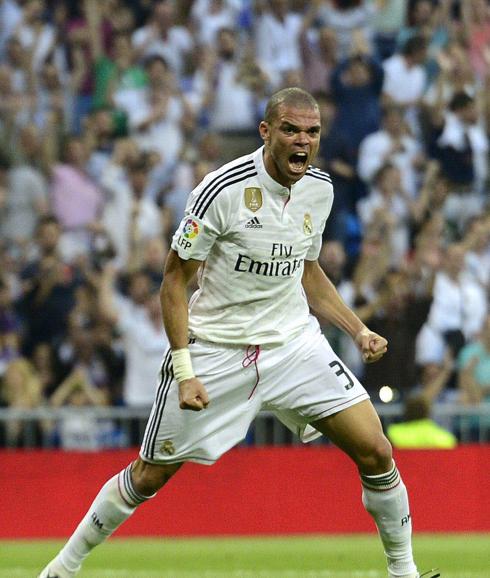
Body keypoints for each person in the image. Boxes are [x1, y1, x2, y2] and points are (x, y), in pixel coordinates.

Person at [38, 88, 437, 578]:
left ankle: (405, 572)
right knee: (148, 475)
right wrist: (185, 371)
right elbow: (174, 281)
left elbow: (306, 270)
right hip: (218, 349)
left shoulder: (320, 189)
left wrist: (357, 330)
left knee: (376, 449)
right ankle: (60, 568)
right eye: (290, 129)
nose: (302, 141)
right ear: (266, 132)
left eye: (312, 132)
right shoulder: (221, 190)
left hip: (292, 343)